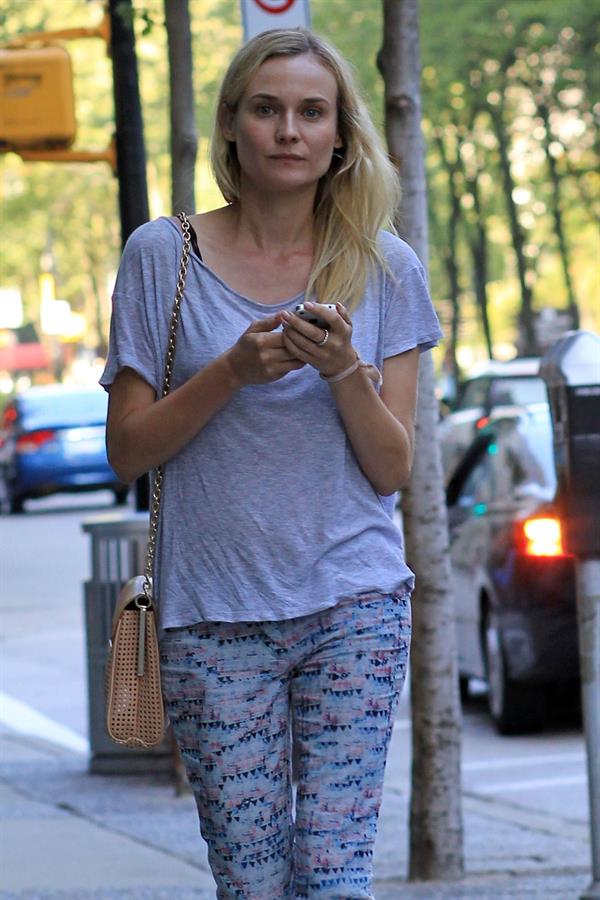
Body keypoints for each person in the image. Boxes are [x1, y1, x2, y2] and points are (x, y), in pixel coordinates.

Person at [101, 26, 442, 900]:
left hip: (353, 606)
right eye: (267, 109)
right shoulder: (161, 257)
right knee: (253, 885)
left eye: (311, 111)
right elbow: (128, 450)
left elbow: (391, 468)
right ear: (232, 128)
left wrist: (341, 375)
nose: (289, 129)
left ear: (339, 138)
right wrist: (231, 372)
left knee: (333, 881)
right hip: (212, 615)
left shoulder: (384, 266)